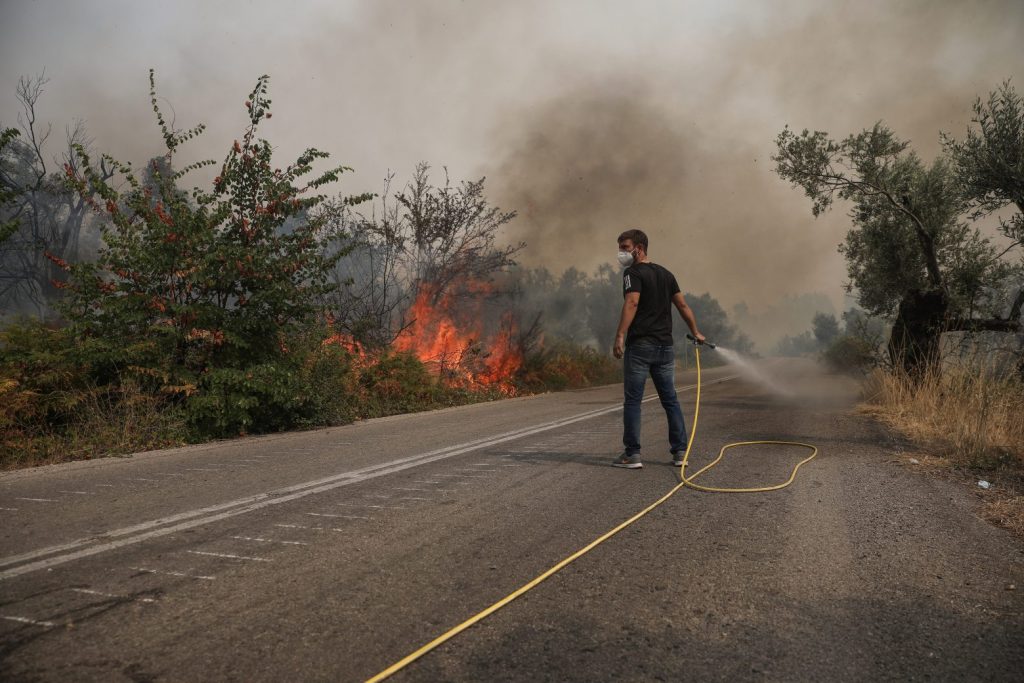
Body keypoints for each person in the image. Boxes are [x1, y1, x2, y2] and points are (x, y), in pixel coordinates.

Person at [611, 228, 705, 469]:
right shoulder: (666, 274)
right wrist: (695, 331)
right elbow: (682, 305)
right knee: (670, 400)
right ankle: (680, 452)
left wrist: (620, 335)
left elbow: (632, 302)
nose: (621, 253)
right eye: (620, 248)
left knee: (633, 401)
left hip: (641, 346)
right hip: (665, 348)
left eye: (625, 247)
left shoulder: (632, 273)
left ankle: (632, 454)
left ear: (639, 249)